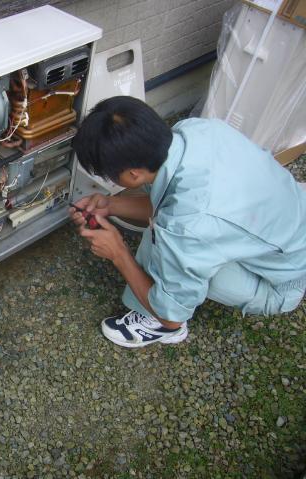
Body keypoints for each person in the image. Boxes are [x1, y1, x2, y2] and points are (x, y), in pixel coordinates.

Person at [69, 96, 306, 348]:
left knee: (162, 241)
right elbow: (170, 200)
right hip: (289, 227)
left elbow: (171, 316)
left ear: (133, 174)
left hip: (283, 283)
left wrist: (118, 252)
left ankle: (158, 328)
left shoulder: (187, 225)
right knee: (170, 233)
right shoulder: (197, 131)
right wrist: (111, 205)